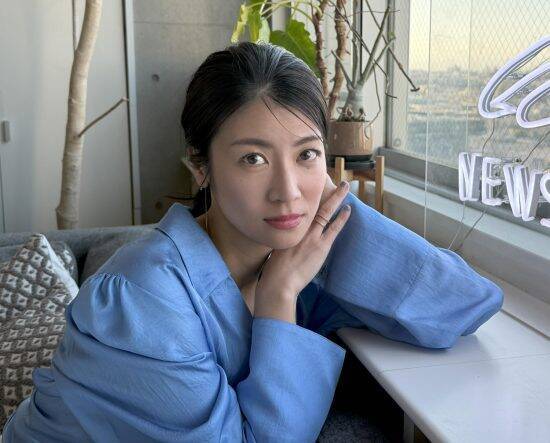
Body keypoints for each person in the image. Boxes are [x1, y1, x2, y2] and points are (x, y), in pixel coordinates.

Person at [2, 42, 503, 442]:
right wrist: (279, 298)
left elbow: (463, 304)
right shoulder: (143, 302)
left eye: (306, 154)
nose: (287, 192)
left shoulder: (296, 249)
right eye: (253, 159)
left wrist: (330, 206)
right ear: (201, 168)